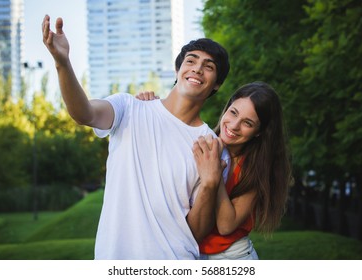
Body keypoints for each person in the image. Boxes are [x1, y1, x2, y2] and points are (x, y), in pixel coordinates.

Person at [42, 15, 230, 259]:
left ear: (216, 84)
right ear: (178, 69)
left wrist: (210, 183)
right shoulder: (128, 107)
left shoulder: (212, 147)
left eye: (209, 66)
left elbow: (196, 232)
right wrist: (62, 63)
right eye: (191, 60)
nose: (197, 68)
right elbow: (83, 113)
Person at [137, 81, 291, 260]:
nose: (233, 125)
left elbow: (227, 225)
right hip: (191, 252)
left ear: (259, 132)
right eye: (233, 113)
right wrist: (150, 108)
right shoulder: (203, 142)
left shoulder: (254, 168)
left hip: (231, 257)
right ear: (227, 108)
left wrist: (213, 174)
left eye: (247, 123)